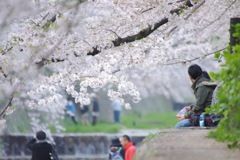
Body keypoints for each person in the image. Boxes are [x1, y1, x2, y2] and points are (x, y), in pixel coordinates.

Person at [175, 64, 215, 128]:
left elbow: (198, 107)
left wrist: (185, 116)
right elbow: (202, 102)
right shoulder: (204, 83)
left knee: (179, 126)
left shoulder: (202, 86)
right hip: (208, 114)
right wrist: (191, 107)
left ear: (190, 76)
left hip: (208, 116)